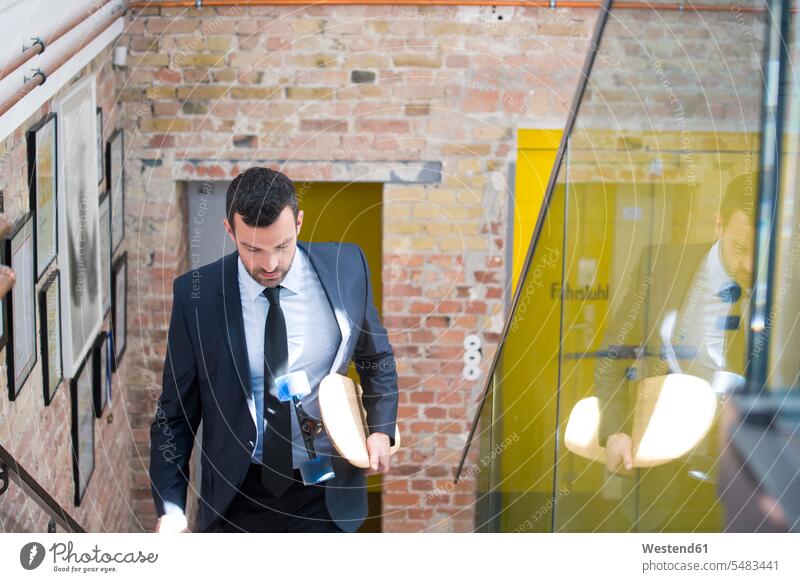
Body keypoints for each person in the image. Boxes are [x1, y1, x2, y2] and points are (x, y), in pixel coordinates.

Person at [149, 167, 399, 533]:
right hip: (237, 497)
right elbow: (174, 417)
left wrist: (380, 428)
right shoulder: (195, 299)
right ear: (229, 231)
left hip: (328, 492)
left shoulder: (348, 267)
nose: (269, 264)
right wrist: (171, 510)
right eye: (252, 249)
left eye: (282, 246)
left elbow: (375, 358)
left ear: (298, 222)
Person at [593, 174, 754, 529]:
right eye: (740, 250)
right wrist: (616, 430)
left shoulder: (785, 290)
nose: (749, 267)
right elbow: (613, 355)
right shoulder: (661, 269)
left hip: (746, 481)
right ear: (718, 223)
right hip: (662, 475)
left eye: (761, 250)